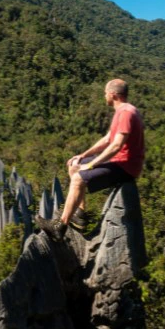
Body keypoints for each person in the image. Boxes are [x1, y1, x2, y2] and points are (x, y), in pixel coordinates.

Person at [59, 78, 145, 231]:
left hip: (125, 167)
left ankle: (60, 225)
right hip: (118, 161)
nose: (104, 96)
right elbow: (107, 140)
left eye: (105, 93)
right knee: (74, 166)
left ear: (113, 94)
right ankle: (80, 215)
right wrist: (82, 156)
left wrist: (91, 164)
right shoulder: (123, 111)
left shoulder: (126, 113)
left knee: (79, 178)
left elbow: (116, 145)